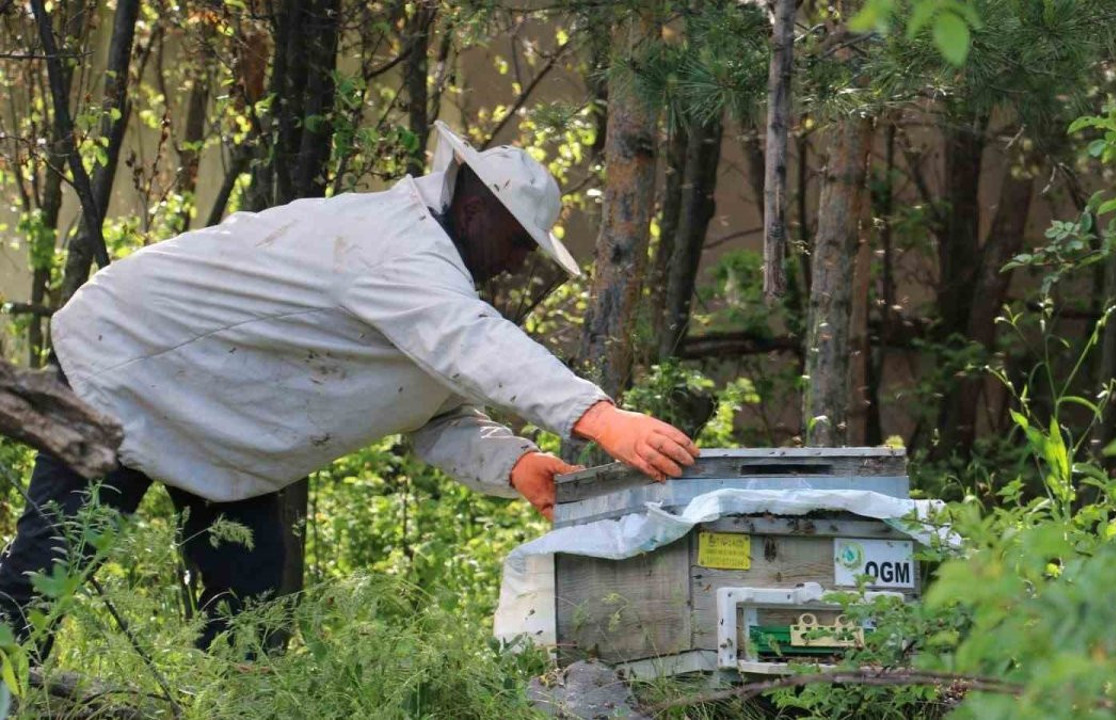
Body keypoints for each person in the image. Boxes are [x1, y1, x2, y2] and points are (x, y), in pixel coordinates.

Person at [0, 121, 698, 655]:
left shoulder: (427, 282)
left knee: (250, 620)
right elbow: (468, 342)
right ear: (477, 207)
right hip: (127, 364)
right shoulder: (394, 246)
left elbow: (437, 409)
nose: (518, 264)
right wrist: (599, 417)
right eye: (520, 244)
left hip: (224, 424)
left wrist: (515, 464)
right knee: (45, 571)